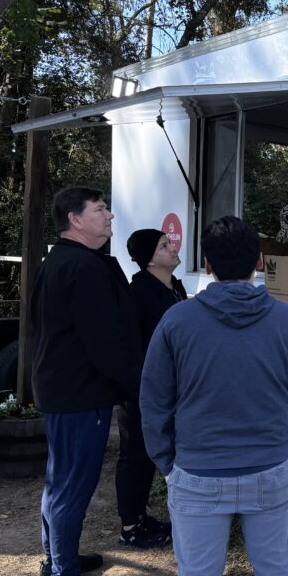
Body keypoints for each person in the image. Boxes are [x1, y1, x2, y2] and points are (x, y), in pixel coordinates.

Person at [140, 216, 288, 576]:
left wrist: (168, 463)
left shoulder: (178, 319)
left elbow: (154, 400)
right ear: (261, 262)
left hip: (197, 475)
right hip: (270, 473)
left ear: (206, 264)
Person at [32, 186, 142, 576]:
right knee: (72, 486)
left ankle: (55, 559)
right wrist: (136, 384)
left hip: (63, 389)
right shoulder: (81, 266)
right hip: (79, 393)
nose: (110, 216)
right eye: (100, 210)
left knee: (60, 480)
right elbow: (105, 342)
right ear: (75, 220)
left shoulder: (60, 260)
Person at [114, 229, 186, 548]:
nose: (172, 248)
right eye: (164, 245)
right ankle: (130, 526)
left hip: (174, 385)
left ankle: (142, 516)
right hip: (143, 387)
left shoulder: (176, 286)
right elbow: (131, 343)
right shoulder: (137, 292)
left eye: (169, 243)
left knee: (156, 452)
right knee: (136, 454)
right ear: (149, 258)